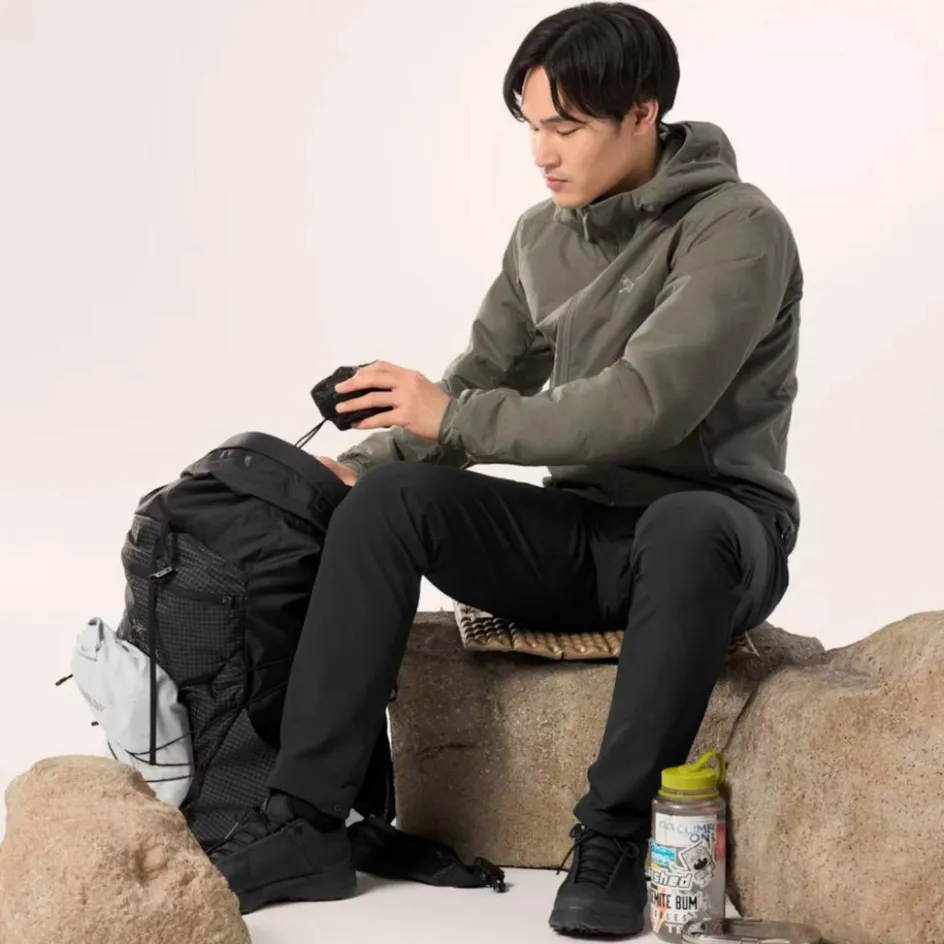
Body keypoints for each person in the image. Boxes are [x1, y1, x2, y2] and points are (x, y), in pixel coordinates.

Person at [209, 1, 801, 936]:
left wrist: (452, 414)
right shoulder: (540, 236)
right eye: (531, 126)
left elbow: (649, 403)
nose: (542, 152)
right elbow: (480, 382)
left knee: (685, 525)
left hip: (719, 537)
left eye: (566, 126)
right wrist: (359, 462)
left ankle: (614, 836)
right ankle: (306, 821)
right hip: (585, 539)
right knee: (391, 503)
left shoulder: (738, 228)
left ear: (642, 114)